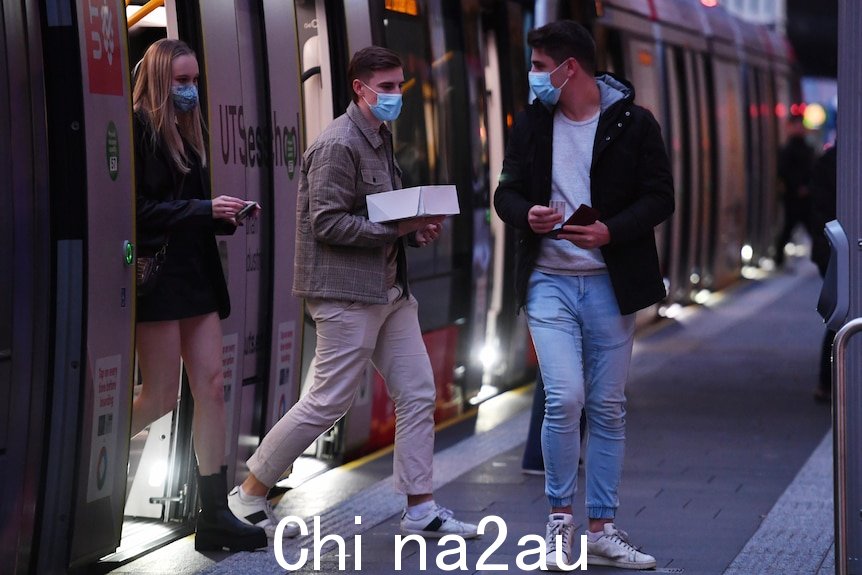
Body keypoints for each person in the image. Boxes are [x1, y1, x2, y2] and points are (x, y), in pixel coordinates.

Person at [227, 46, 478, 541]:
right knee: (328, 400)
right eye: (386, 87)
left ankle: (420, 507)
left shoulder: (380, 139)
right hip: (346, 293)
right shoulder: (338, 145)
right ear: (359, 89)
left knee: (418, 392)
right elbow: (326, 223)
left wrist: (414, 229)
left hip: (389, 292)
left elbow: (381, 215)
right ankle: (249, 494)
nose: (395, 95)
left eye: (399, 85)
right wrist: (398, 230)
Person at [494, 21, 674, 570]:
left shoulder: (635, 125)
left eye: (539, 65)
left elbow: (661, 197)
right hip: (548, 279)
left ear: (569, 67)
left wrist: (610, 232)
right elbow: (505, 192)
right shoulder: (531, 124)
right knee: (565, 396)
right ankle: (557, 524)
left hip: (607, 283)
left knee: (608, 407)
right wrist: (527, 212)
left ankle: (601, 527)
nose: (534, 77)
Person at [132, 39, 266, 552]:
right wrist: (204, 210)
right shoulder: (141, 129)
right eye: (181, 82)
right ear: (161, 82)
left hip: (196, 276)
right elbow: (139, 211)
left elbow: (191, 208)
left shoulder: (189, 135)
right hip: (160, 279)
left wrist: (224, 215)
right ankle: (88, 452)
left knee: (211, 386)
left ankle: (213, 512)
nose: (191, 91)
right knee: (162, 395)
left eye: (194, 81)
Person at [809, 144, 837, 402]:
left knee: (838, 315)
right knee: (841, 316)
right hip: (835, 251)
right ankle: (828, 381)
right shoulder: (834, 163)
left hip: (828, 250)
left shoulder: (826, 161)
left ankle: (826, 382)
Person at [773, 116, 816, 268]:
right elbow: (784, 172)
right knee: (791, 227)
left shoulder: (805, 148)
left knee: (798, 227)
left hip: (800, 197)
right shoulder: (789, 150)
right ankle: (778, 258)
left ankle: (778, 258)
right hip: (794, 197)